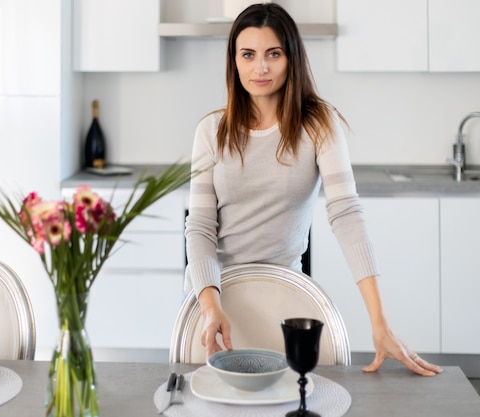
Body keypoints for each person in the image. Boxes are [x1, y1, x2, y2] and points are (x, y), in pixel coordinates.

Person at [184, 3, 442, 377]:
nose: (261, 67)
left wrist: (379, 321)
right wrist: (210, 304)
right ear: (234, 62)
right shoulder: (211, 131)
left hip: (284, 292)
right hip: (213, 295)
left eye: (274, 54)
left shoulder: (319, 124)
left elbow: (346, 214)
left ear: (291, 59)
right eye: (248, 55)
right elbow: (201, 228)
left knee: (289, 394)